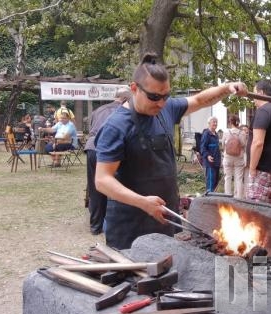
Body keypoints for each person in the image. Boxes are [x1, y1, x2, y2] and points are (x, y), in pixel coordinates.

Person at [94, 53, 247, 250]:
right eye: (154, 97)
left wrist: (227, 88)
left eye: (166, 96)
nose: (161, 103)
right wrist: (142, 202)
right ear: (134, 88)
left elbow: (200, 100)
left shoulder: (165, 109)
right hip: (129, 226)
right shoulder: (117, 126)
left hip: (163, 217)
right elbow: (102, 180)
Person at [84, 87, 132, 235]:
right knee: (118, 185)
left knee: (95, 187)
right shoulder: (124, 110)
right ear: (126, 99)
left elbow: (91, 128)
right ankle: (119, 224)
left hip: (91, 148)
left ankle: (95, 226)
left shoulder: (98, 110)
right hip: (107, 148)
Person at [222, 114, 247, 198]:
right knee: (239, 178)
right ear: (238, 122)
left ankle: (227, 196)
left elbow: (223, 145)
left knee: (227, 177)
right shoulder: (242, 133)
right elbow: (243, 145)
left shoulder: (226, 132)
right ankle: (238, 197)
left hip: (228, 157)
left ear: (230, 122)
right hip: (239, 158)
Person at [201, 116, 221, 193]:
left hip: (216, 161)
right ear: (209, 123)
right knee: (210, 182)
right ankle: (209, 197)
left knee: (216, 181)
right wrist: (208, 156)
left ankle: (214, 197)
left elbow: (217, 148)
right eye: (214, 122)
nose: (215, 124)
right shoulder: (206, 134)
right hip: (210, 162)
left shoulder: (216, 134)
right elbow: (202, 148)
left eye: (216, 122)